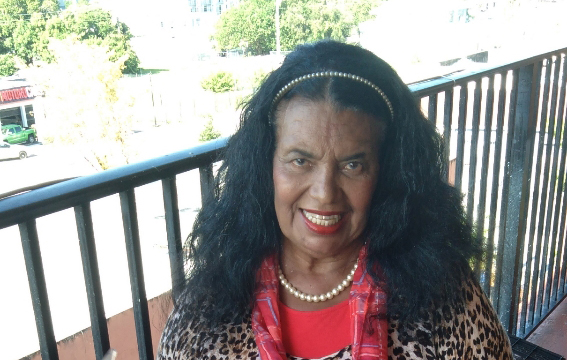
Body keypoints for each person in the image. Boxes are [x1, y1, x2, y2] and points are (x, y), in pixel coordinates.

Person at [157, 40, 513, 360]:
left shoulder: (442, 297)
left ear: (387, 173)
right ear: (265, 165)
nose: (324, 191)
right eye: (300, 161)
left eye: (353, 165)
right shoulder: (209, 307)